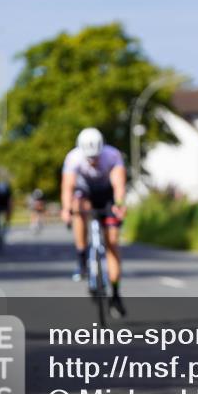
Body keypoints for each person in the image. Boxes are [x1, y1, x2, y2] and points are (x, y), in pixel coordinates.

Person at [60, 127, 128, 318]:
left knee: (112, 243)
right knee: (77, 205)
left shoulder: (112, 155)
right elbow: (67, 187)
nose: (93, 161)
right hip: (85, 193)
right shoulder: (73, 158)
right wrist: (66, 209)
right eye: (90, 158)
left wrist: (120, 205)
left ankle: (115, 294)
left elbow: (119, 185)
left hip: (106, 195)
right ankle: (82, 255)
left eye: (96, 157)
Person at [0, 177, 13, 250]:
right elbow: (10, 201)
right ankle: (1, 231)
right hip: (2, 207)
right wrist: (10, 211)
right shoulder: (6, 188)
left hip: (0, 207)